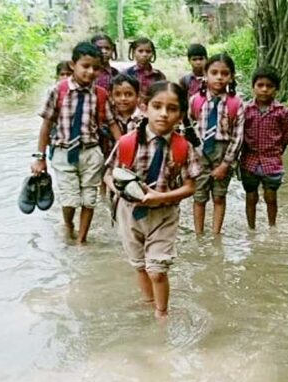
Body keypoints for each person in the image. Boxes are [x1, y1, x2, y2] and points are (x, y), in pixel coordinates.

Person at [104, 81, 201, 319]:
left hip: (164, 215)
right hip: (129, 213)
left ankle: (162, 315)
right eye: (157, 106)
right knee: (139, 266)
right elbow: (108, 175)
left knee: (157, 270)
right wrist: (121, 192)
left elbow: (191, 186)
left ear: (181, 115)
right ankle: (148, 304)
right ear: (144, 107)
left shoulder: (183, 147)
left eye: (172, 109)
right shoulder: (127, 142)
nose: (163, 114)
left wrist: (161, 197)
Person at [32, 41, 122, 243]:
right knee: (70, 199)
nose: (90, 72)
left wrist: (125, 151)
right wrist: (40, 158)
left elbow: (112, 123)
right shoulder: (58, 91)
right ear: (73, 65)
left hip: (91, 152)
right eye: (85, 66)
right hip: (63, 152)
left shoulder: (100, 94)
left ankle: (82, 240)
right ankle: (68, 224)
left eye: (95, 68)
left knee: (89, 199)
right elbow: (46, 125)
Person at [189, 53, 245, 235]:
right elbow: (188, 128)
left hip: (223, 153)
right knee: (199, 197)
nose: (219, 77)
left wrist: (226, 164)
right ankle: (199, 235)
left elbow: (238, 136)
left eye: (224, 73)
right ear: (205, 74)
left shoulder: (235, 103)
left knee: (219, 196)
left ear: (231, 76)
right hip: (199, 153)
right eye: (214, 73)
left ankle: (216, 235)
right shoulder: (196, 100)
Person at [240, 66, 288, 229]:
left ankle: (272, 227)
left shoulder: (282, 112)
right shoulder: (245, 110)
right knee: (250, 196)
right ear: (253, 87)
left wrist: (276, 154)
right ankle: (251, 228)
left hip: (272, 161)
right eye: (260, 85)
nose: (264, 89)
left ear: (276, 89)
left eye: (269, 86)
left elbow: (285, 138)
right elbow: (239, 135)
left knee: (271, 196)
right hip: (249, 160)